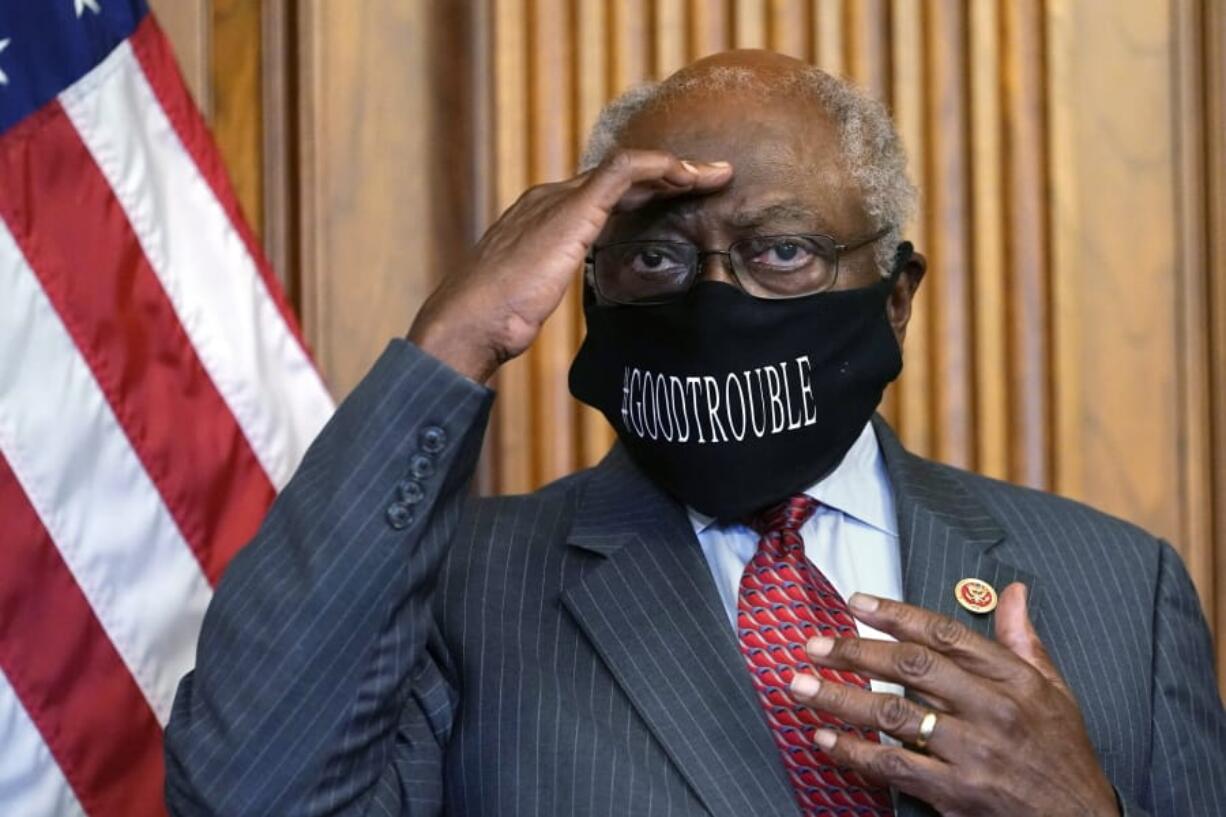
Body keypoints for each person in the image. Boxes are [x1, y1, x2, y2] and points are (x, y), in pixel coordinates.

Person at [164, 50, 1225, 817]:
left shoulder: (1115, 588)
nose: (716, 298)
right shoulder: (460, 588)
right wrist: (450, 344)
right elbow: (246, 792)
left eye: (781, 252)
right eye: (657, 258)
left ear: (893, 295)